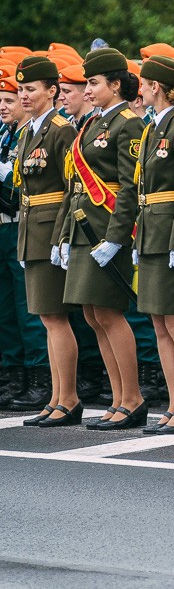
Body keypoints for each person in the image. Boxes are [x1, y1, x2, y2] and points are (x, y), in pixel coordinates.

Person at [62, 48, 145, 430]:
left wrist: (116, 237)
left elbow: (130, 187)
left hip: (108, 229)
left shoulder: (127, 123)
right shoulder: (94, 123)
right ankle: (117, 398)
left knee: (110, 313)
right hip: (86, 228)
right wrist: (65, 235)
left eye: (94, 83)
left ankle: (133, 398)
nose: (88, 89)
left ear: (115, 84)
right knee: (94, 314)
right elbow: (77, 184)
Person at [130, 56, 174, 434]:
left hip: (170, 233)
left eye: (143, 83)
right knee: (159, 322)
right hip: (151, 232)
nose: (140, 89)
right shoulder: (152, 128)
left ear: (155, 86)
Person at [10, 56, 80, 425]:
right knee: (45, 317)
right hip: (31, 228)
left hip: (50, 227)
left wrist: (61, 237)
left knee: (55, 316)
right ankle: (56, 397)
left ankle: (67, 398)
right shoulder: (29, 131)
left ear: (51, 91)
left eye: (31, 89)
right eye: (21, 89)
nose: (23, 95)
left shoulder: (60, 129)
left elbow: (71, 188)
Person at [0, 68, 51, 412]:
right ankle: (13, 375)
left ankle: (39, 377)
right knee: (7, 309)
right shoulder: (8, 135)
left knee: (29, 307)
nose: (5, 106)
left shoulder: (32, 134)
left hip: (22, 222)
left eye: (9, 99)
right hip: (4, 225)